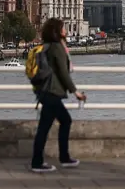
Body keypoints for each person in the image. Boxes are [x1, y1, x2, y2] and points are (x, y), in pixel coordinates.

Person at [30, 18, 86, 173]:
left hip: (47, 92)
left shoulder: (51, 46)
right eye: (63, 28)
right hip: (52, 92)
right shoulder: (56, 48)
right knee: (47, 127)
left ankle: (63, 157)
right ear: (57, 31)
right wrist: (76, 92)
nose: (66, 30)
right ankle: (39, 162)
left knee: (61, 122)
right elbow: (63, 72)